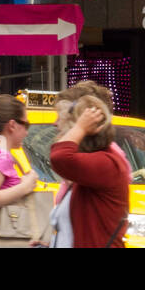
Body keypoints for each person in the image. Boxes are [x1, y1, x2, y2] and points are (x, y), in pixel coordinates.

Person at [49, 96, 130, 248]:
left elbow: (58, 157)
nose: (57, 126)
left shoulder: (107, 163)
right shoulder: (92, 167)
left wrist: (80, 128)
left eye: (70, 127)